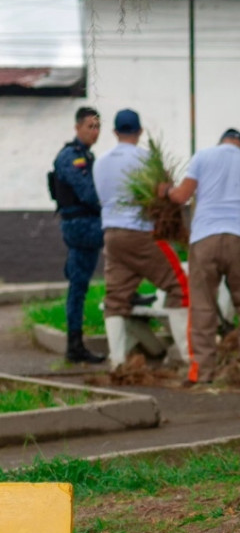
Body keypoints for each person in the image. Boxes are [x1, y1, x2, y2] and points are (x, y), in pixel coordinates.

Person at [159, 128, 240, 386]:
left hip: (204, 239)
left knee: (202, 307)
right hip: (239, 238)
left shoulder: (203, 156)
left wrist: (164, 190)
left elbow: (181, 196)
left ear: (222, 141)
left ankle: (202, 374)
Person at [93, 108, 190, 370]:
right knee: (181, 286)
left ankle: (118, 362)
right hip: (141, 233)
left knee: (116, 299)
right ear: (139, 132)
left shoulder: (100, 162)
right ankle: (187, 357)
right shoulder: (147, 160)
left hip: (112, 236)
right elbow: (163, 194)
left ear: (114, 132)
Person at [51, 106, 106, 363]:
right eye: (90, 126)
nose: (94, 132)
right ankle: (127, 292)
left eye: (97, 127)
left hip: (84, 224)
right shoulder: (72, 157)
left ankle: (74, 346)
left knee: (78, 285)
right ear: (77, 127)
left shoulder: (86, 156)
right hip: (82, 225)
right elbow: (89, 194)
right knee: (125, 243)